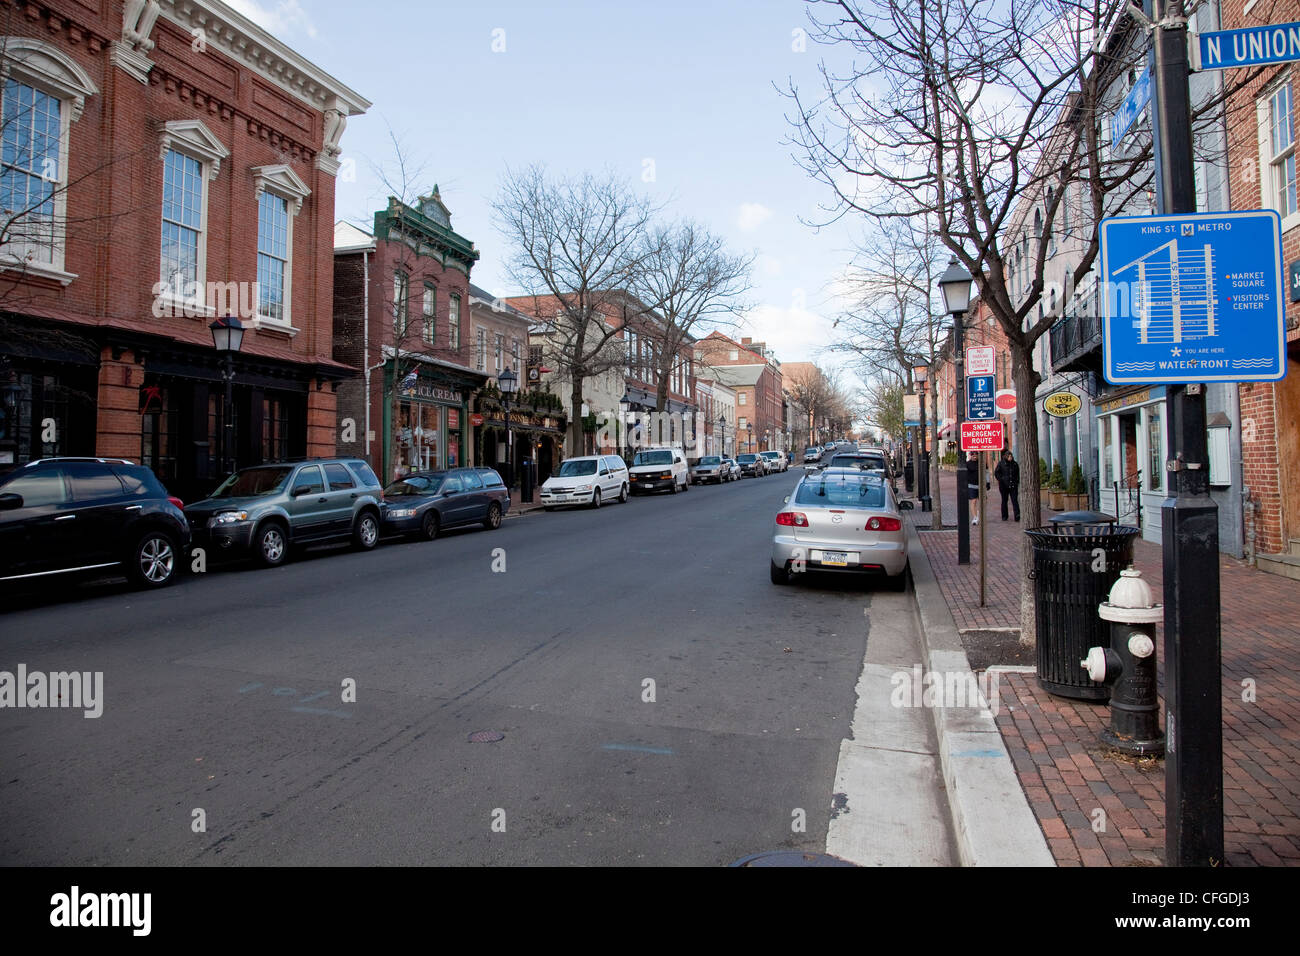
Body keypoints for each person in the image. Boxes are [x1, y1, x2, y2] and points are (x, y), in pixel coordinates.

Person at [994, 449, 1021, 522]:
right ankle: (1004, 516)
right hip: (1004, 486)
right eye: (1008, 456)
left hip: (1013, 485)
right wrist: (1001, 480)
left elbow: (1017, 474)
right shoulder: (1001, 464)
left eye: (1011, 456)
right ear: (1005, 457)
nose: (1010, 457)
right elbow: (996, 473)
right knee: (1004, 500)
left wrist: (1017, 481)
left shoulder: (1015, 464)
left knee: (1015, 500)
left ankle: (1017, 515)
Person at [966, 451, 980, 525]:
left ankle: (978, 513)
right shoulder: (967, 464)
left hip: (980, 485)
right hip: (972, 485)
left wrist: (987, 483)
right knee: (973, 501)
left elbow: (986, 472)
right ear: (970, 456)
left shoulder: (981, 463)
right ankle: (975, 517)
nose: (974, 457)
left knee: (984, 501)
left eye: (976, 455)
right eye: (973, 455)